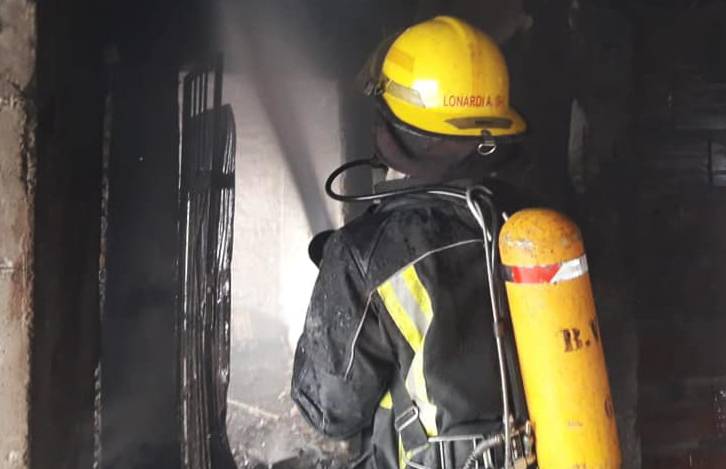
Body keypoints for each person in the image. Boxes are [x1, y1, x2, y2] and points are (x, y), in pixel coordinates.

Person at [292, 16, 533, 469]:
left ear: (391, 128)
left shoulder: (366, 255)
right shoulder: (536, 224)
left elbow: (328, 409)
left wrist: (339, 292)